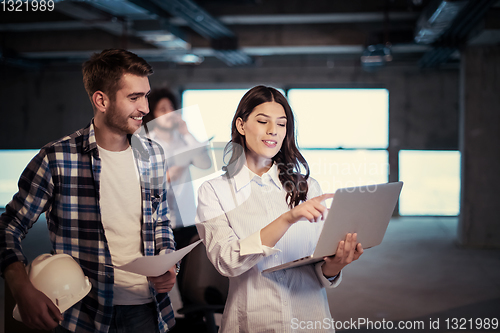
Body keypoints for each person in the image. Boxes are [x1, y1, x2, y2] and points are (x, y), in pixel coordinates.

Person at [0, 49, 178, 333]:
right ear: (101, 100)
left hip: (148, 311)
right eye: (134, 97)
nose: (145, 107)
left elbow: (160, 220)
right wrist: (21, 289)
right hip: (83, 314)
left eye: (145, 95)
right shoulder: (56, 159)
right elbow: (7, 228)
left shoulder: (153, 154)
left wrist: (168, 262)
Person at [195, 85, 364, 332]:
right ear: (241, 126)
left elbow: (317, 266)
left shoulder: (308, 188)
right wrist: (287, 219)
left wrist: (336, 265)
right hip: (253, 322)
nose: (273, 130)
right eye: (263, 121)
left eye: (282, 124)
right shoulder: (214, 191)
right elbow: (227, 261)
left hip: (309, 319)